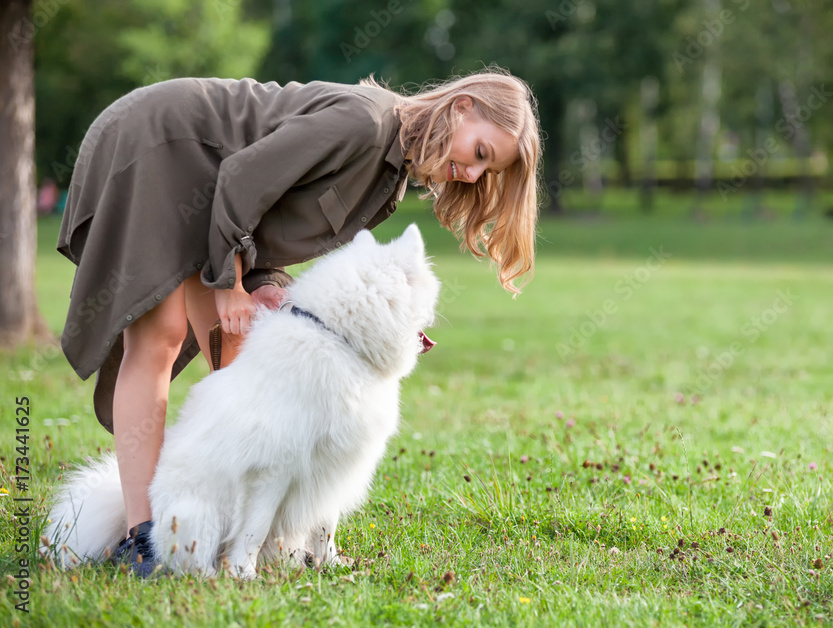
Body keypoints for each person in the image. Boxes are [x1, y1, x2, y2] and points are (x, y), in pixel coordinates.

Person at [56, 68, 541, 575]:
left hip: (212, 192)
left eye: (487, 172)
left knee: (239, 357)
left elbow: (272, 209)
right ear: (462, 107)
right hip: (162, 145)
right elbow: (242, 178)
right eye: (481, 153)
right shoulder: (366, 124)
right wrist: (230, 284)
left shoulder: (388, 179)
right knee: (160, 338)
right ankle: (145, 539)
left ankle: (239, 532)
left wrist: (263, 281)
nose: (471, 174)